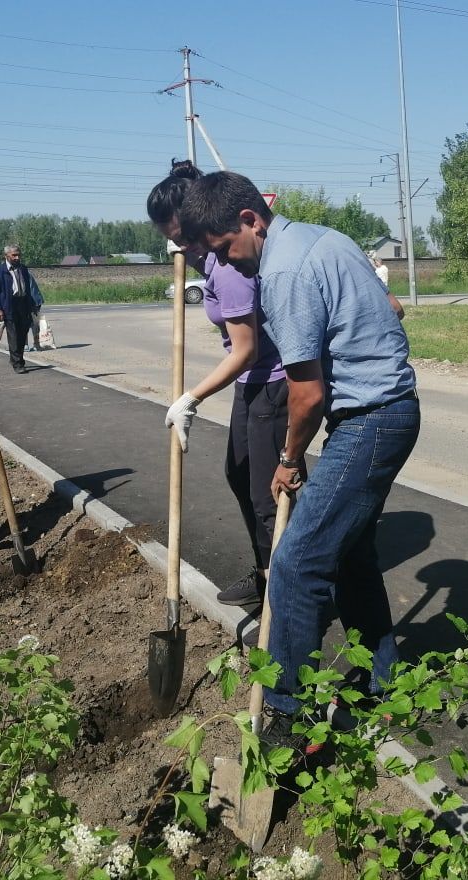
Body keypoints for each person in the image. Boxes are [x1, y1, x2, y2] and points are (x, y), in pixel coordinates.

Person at [179, 171, 420, 746]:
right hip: (385, 410)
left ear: (249, 220)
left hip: (371, 420)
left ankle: (289, 716)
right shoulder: (322, 238)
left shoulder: (283, 272)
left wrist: (288, 460)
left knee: (295, 563)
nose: (228, 265)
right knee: (352, 557)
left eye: (225, 250)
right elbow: (391, 305)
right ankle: (387, 686)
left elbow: (306, 394)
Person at [149, 160, 289, 608]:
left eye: (181, 239)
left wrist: (191, 397)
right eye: (172, 242)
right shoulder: (209, 261)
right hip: (253, 379)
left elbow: (245, 348)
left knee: (267, 494)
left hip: (272, 379)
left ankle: (289, 592)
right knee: (240, 474)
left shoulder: (227, 268)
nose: (180, 249)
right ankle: (268, 569)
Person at [0, 244, 37, 373]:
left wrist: (32, 305)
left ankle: (15, 359)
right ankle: (18, 364)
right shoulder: (0, 271)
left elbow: (28, 289)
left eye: (18, 255)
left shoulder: (23, 269)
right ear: (6, 256)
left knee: (22, 336)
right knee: (14, 336)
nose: (17, 257)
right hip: (9, 306)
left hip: (23, 305)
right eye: (14, 255)